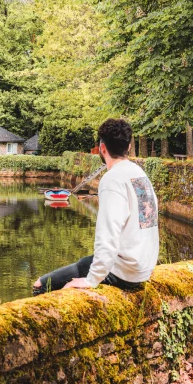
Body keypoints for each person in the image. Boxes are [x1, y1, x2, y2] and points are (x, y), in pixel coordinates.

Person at [32, 119, 159, 295]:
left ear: (102, 148)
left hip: (124, 272)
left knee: (40, 285)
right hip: (143, 267)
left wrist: (92, 279)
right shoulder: (139, 174)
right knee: (82, 263)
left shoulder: (112, 179)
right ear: (128, 147)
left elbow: (108, 233)